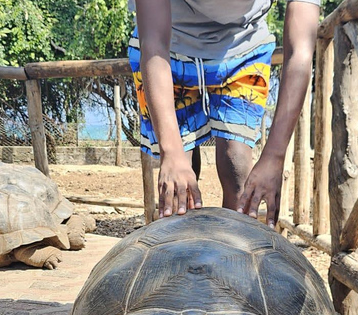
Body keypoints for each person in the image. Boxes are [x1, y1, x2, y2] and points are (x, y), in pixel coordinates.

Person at [129, 0, 320, 228]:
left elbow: (301, 53)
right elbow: (153, 44)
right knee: (180, 189)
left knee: (238, 169)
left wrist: (274, 158)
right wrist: (171, 152)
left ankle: (235, 254)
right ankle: (182, 256)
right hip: (167, 45)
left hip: (245, 43)